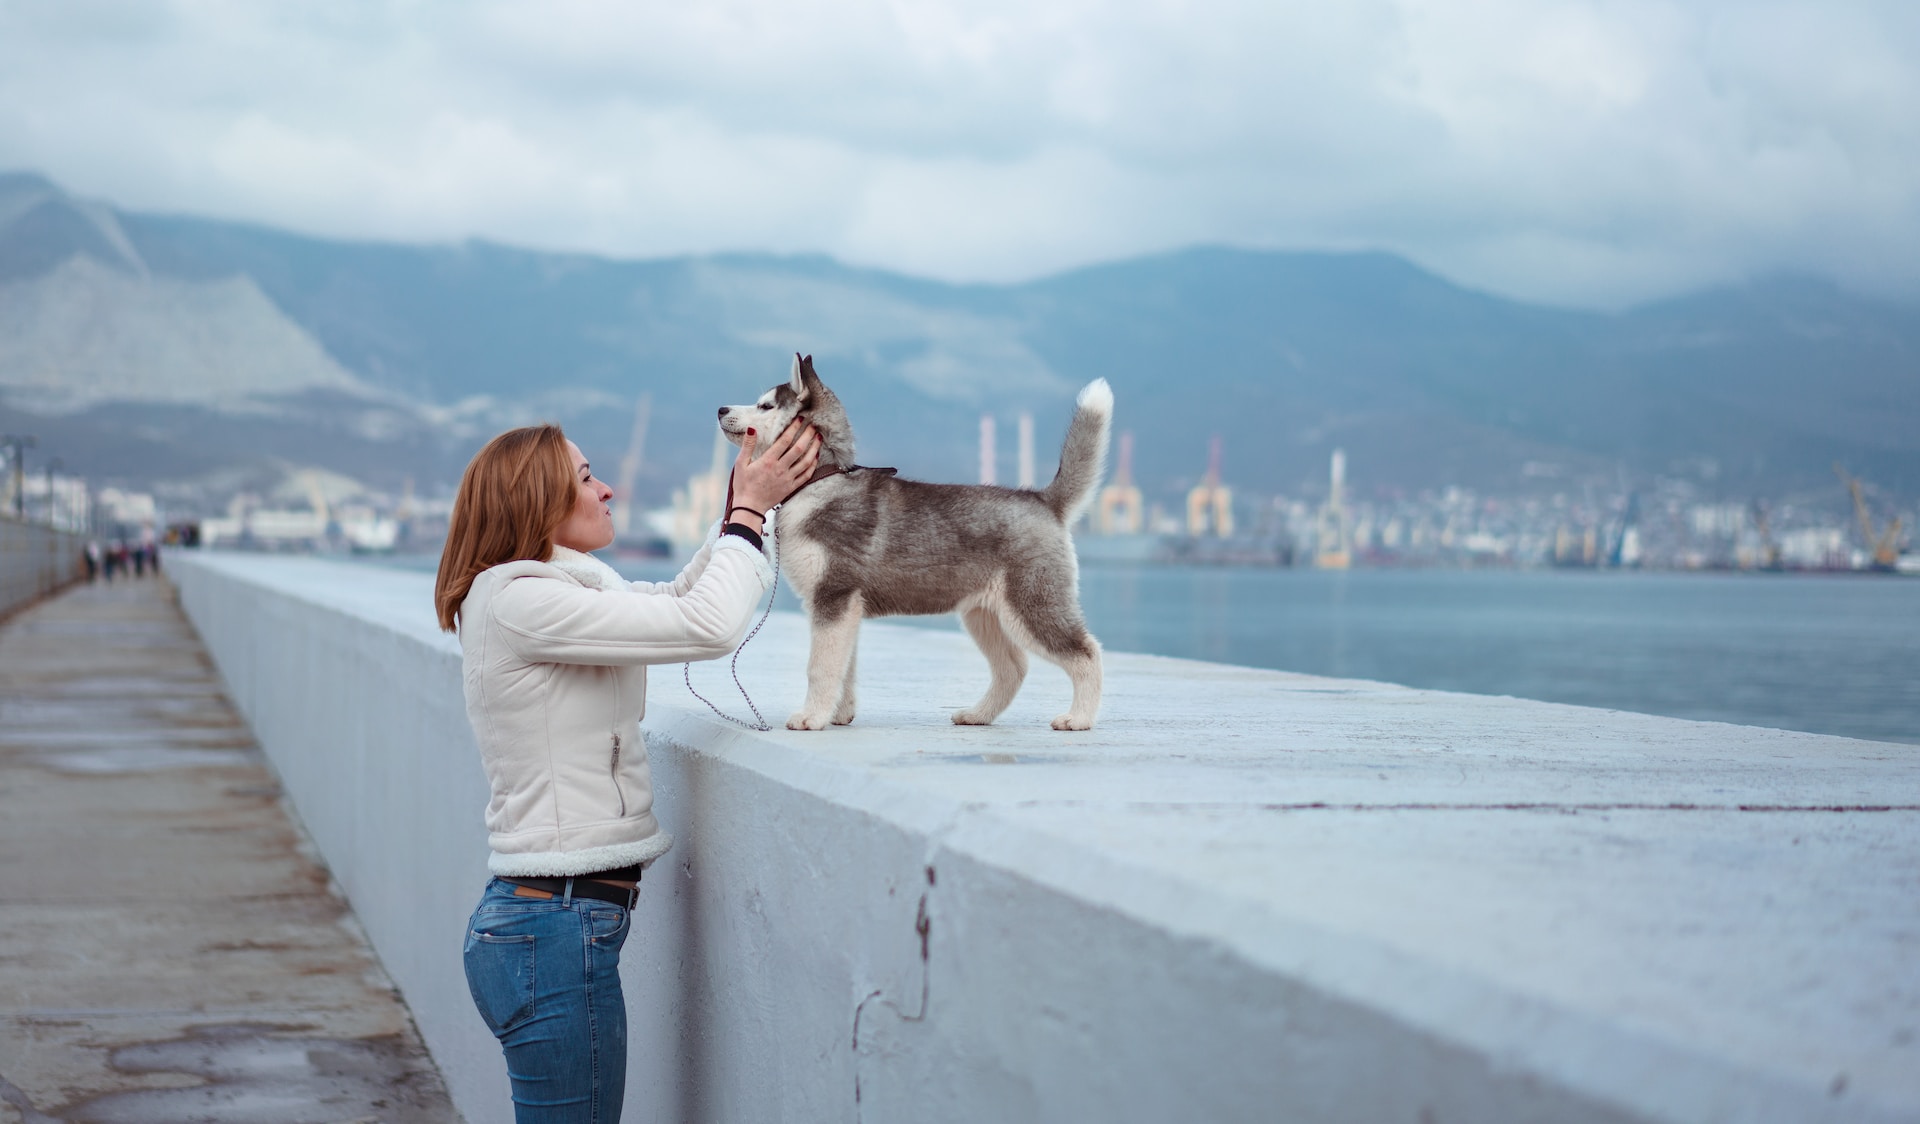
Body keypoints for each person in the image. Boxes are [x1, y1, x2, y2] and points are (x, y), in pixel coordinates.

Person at [433, 417, 819, 1123]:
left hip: (552, 926)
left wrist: (741, 506)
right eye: (585, 478)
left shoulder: (540, 596)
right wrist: (744, 515)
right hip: (550, 930)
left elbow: (674, 602)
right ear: (536, 502)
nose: (607, 488)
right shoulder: (521, 600)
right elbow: (706, 626)